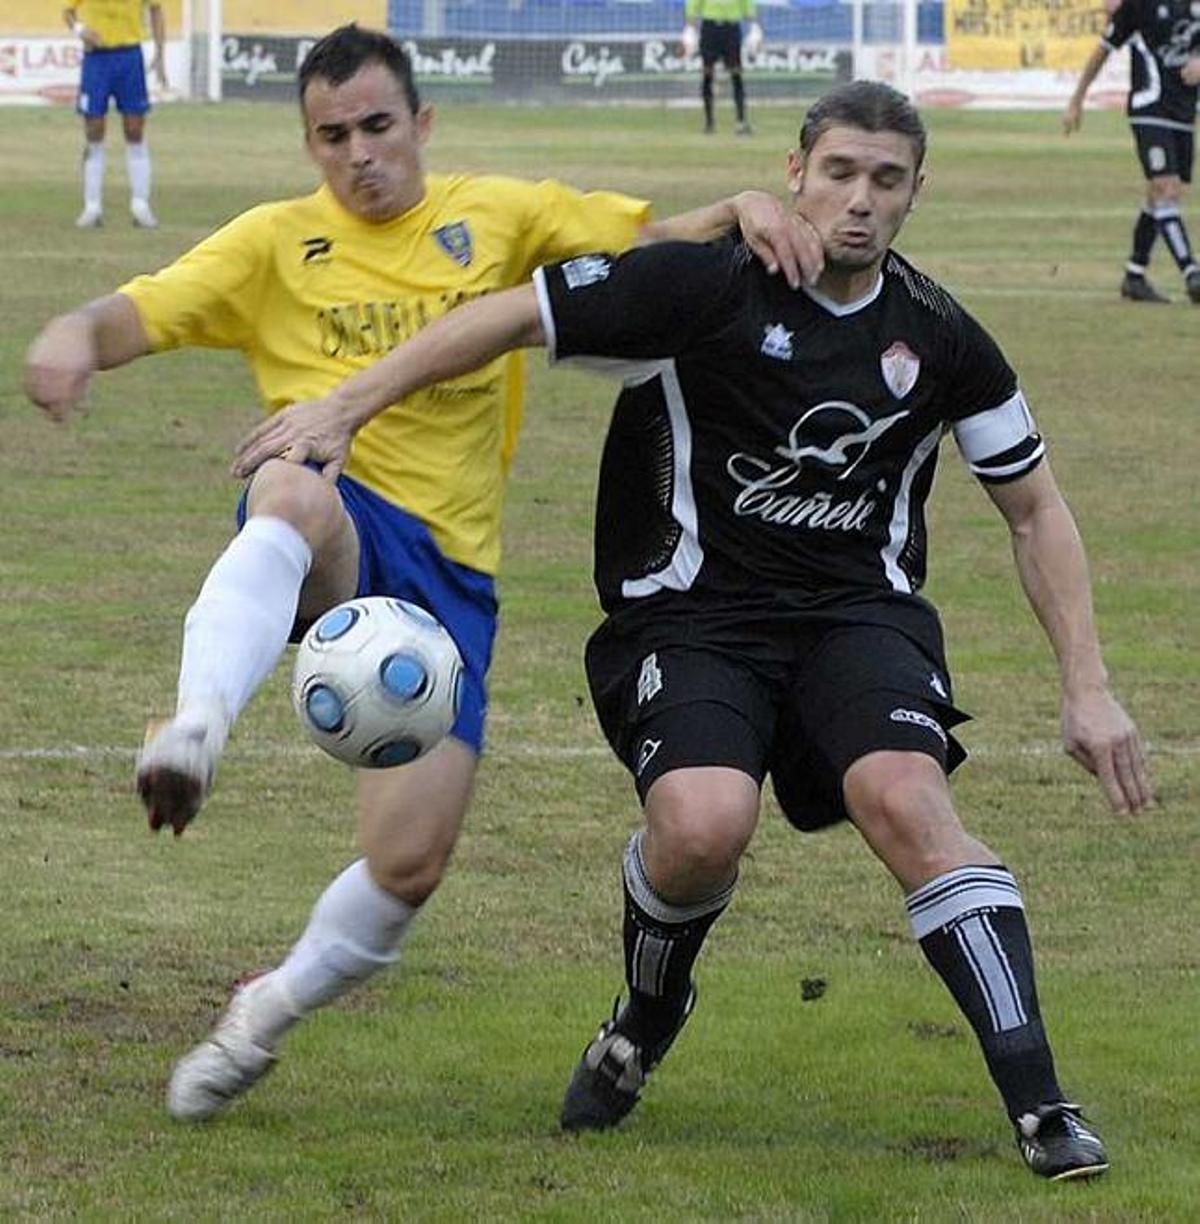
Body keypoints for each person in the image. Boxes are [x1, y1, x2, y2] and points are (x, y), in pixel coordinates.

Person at [240, 80, 1155, 1182]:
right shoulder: (705, 284)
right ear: (795, 172)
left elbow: (1036, 508)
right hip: (689, 618)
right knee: (702, 827)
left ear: (917, 192)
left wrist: (1086, 683)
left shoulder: (942, 335)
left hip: (857, 619)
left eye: (886, 180)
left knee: (908, 799)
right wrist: (344, 407)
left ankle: (1042, 1103)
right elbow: (514, 314)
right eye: (839, 173)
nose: (859, 200)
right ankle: (646, 1014)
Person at [23, 25, 820, 1125]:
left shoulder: (499, 215)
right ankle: (195, 726)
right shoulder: (273, 244)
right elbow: (141, 310)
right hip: (338, 524)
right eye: (332, 136)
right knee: (293, 485)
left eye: (377, 127)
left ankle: (262, 1013)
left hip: (446, 583)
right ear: (309, 144)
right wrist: (72, 334)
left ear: (422, 124)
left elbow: (647, 250)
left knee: (407, 867)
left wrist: (740, 206)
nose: (359, 154)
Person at [1063, 2, 1200, 304]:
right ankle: (1191, 272)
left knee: (1159, 195)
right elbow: (1103, 49)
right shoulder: (1139, 5)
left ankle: (1134, 276)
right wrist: (1077, 99)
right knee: (1166, 188)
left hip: (1184, 114)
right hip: (1149, 108)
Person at [65, 0, 167, 229]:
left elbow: (156, 10)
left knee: (134, 129)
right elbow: (68, 12)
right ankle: (92, 207)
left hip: (129, 56)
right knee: (94, 130)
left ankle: (140, 205)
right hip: (96, 59)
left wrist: (160, 53)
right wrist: (80, 30)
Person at [682, 0, 762, 136]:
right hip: (710, 27)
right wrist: (690, 26)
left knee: (736, 75)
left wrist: (754, 25)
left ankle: (741, 122)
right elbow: (694, 4)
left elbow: (747, 4)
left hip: (731, 28)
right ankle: (709, 123)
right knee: (707, 74)